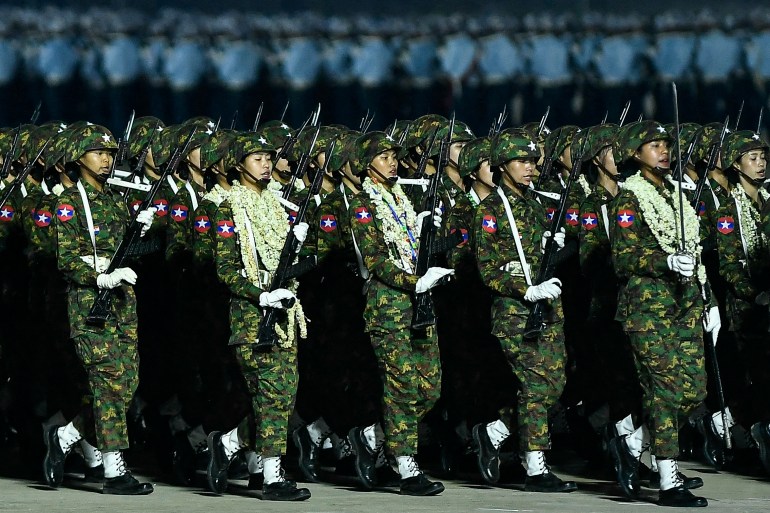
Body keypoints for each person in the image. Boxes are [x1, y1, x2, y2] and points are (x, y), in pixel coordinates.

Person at [609, 120, 717, 507]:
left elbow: (696, 248)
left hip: (685, 304)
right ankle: (669, 480)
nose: (663, 152)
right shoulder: (628, 197)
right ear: (635, 155)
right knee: (665, 393)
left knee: (694, 389)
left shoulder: (676, 194)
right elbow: (623, 258)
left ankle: (632, 442)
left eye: (666, 145)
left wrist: (709, 299)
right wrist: (665, 260)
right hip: (648, 308)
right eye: (653, 146)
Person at [45, 123, 156, 495]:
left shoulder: (114, 198)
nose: (106, 160)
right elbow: (66, 259)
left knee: (125, 386)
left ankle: (65, 436)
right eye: (98, 153)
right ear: (79, 157)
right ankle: (113, 469)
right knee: (108, 384)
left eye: (109, 153)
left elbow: (125, 251)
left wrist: (141, 232)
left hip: (123, 306)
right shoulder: (69, 202)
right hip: (91, 304)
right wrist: (100, 278)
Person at [205, 131, 311, 501]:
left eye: (269, 158)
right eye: (256, 158)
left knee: (283, 396)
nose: (266, 164)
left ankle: (230, 442)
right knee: (271, 396)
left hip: (284, 312)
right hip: (252, 316)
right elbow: (227, 269)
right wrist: (260, 294)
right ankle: (271, 476)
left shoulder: (278, 204)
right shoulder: (227, 207)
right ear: (238, 165)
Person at [346, 131, 452, 496]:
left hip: (419, 304)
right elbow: (374, 259)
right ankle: (406, 466)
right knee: (402, 388)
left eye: (394, 156)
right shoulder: (362, 204)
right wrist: (415, 281)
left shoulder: (402, 198)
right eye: (384, 156)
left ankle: (372, 436)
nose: (393, 162)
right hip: (389, 307)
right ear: (366, 164)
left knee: (431, 386)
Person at [470, 127, 576, 493]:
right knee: (534, 387)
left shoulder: (535, 204)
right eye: (521, 161)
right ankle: (535, 466)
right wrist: (526, 290)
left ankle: (493, 432)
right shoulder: (491, 210)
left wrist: (555, 245)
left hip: (547, 309)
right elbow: (488, 268)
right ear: (502, 165)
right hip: (515, 312)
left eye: (533, 160)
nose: (530, 167)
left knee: (553, 385)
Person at [714, 130, 770, 475]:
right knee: (757, 375)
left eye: (763, 157)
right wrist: (756, 294)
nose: (761, 163)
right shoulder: (727, 210)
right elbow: (729, 264)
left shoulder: (767, 202)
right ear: (736, 164)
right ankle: (748, 428)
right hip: (748, 308)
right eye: (752, 158)